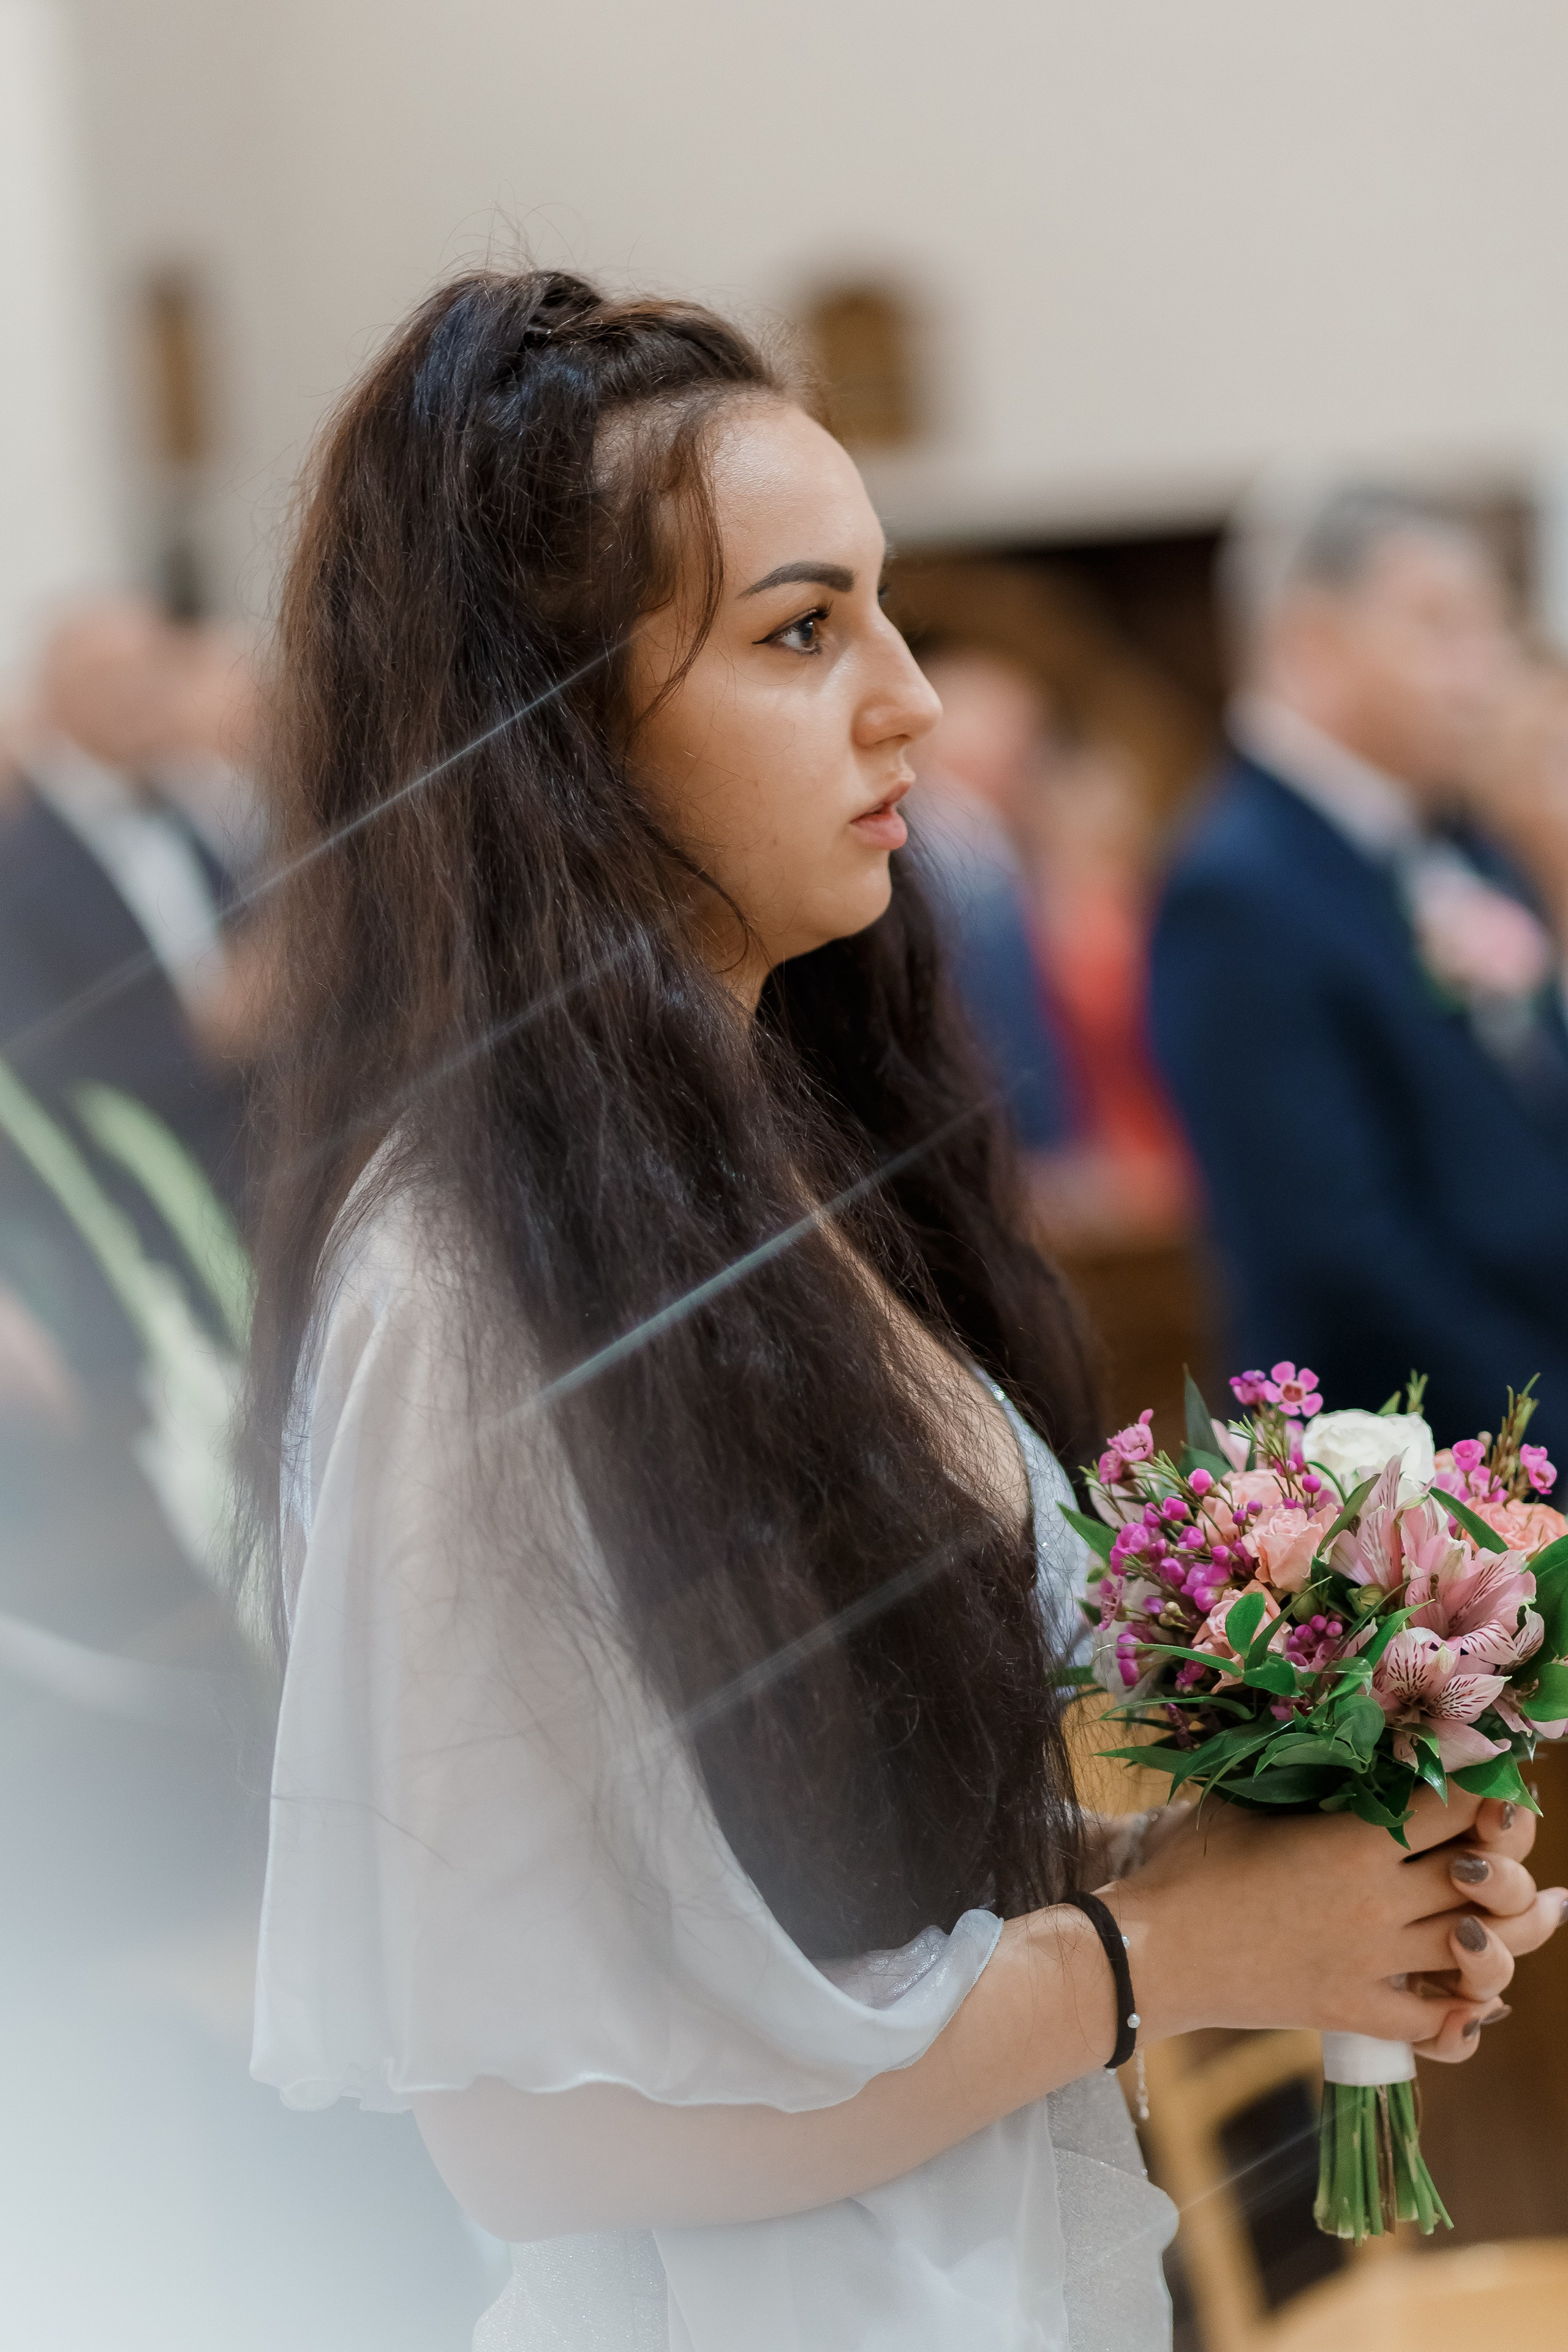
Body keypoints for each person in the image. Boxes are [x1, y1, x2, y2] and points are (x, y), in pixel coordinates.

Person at [246, 279, 1558, 2352]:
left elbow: (834, 1868)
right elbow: (529, 2118)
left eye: (879, 609)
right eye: (799, 631)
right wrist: (1154, 1954)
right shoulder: (470, 1282)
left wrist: (1303, 1885)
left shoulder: (772, 1159)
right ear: (555, 731)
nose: (915, 702)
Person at [1153, 485, 1568, 1460]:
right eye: (1442, 626)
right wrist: (1544, 1436)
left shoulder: (1464, 850)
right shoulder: (1237, 890)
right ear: (1314, 645)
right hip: (1407, 1473)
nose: (1487, 670)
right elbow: (1340, 1250)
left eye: (1493, 628)